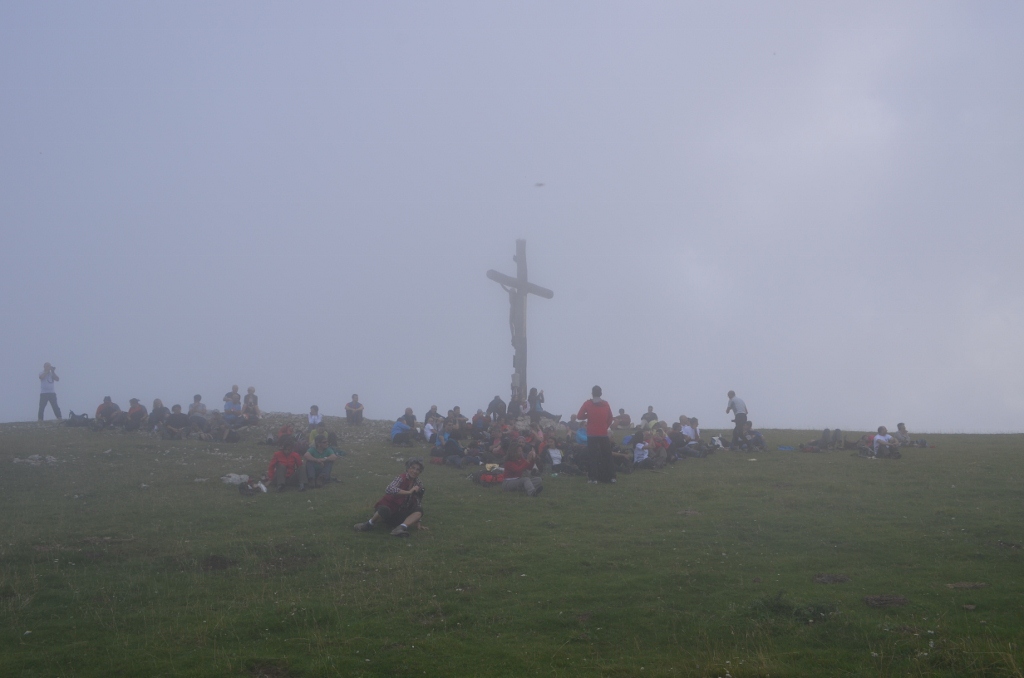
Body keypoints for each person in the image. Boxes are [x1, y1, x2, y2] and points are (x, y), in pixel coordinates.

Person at [354, 458, 426, 537]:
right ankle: (369, 524)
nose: (415, 471)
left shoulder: (418, 483)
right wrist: (408, 492)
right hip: (389, 510)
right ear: (408, 468)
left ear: (420, 472)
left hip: (400, 513)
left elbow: (418, 502)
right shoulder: (401, 478)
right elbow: (389, 489)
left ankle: (400, 528)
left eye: (418, 469)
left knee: (419, 510)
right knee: (384, 510)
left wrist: (418, 523)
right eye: (413, 468)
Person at [578, 385, 615, 484]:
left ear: (592, 393)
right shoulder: (606, 404)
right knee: (607, 455)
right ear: (601, 393)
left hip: (591, 434)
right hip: (603, 433)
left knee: (592, 456)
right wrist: (605, 426)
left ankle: (593, 478)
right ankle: (611, 477)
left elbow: (579, 416)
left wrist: (588, 415)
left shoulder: (588, 403)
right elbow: (610, 418)